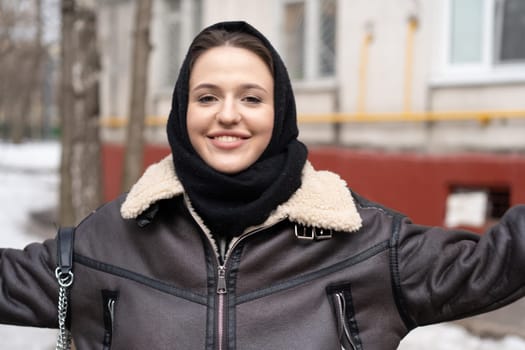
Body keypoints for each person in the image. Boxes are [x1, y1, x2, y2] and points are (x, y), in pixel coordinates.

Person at [1, 20, 525, 350]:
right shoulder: (107, 240)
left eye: (251, 98)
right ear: (183, 112)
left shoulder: (367, 242)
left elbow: (499, 264)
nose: (228, 115)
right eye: (207, 97)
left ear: (281, 113)